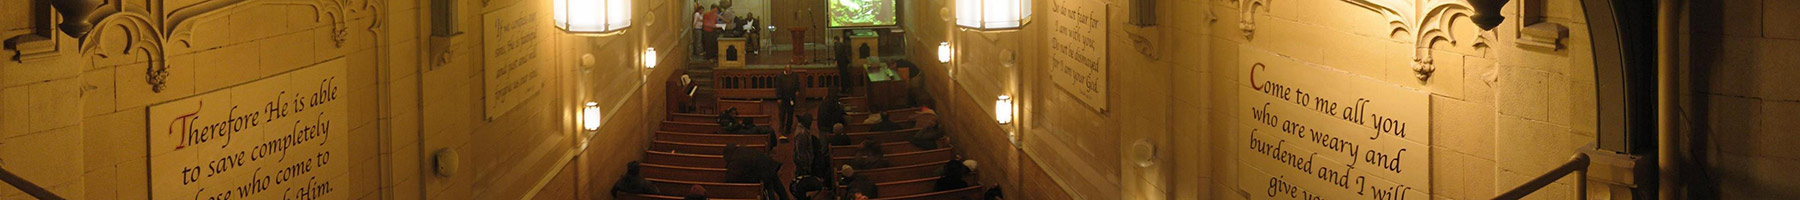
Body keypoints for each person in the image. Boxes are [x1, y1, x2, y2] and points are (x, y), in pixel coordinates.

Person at [723, 144, 789, 200]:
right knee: (776, 184)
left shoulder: (735, 161)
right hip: (766, 163)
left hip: (763, 169)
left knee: (770, 188)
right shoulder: (740, 151)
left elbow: (731, 179)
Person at [776, 66, 802, 136]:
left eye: (789, 72)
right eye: (787, 72)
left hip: (791, 98)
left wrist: (797, 91)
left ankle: (788, 128)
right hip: (783, 98)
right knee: (782, 114)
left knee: (790, 114)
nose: (788, 73)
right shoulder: (780, 76)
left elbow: (797, 84)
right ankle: (781, 127)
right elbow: (778, 87)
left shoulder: (795, 75)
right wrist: (779, 98)